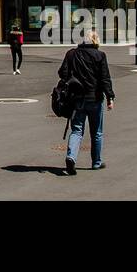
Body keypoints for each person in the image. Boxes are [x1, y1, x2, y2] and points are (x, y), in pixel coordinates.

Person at [58, 30, 115, 174]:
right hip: (95, 98)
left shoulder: (71, 54)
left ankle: (71, 157)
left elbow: (62, 73)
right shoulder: (100, 55)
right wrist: (110, 97)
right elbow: (105, 78)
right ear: (95, 41)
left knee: (77, 130)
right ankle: (96, 162)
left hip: (76, 99)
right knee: (97, 132)